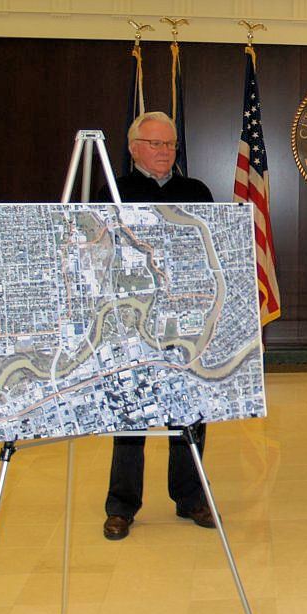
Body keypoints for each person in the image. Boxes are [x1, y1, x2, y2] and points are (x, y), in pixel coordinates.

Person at [99, 111, 216, 540]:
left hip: (184, 319)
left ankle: (191, 497)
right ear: (134, 149)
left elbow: (210, 249)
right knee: (131, 415)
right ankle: (122, 505)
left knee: (189, 410)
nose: (165, 151)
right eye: (155, 144)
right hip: (131, 320)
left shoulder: (197, 192)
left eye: (169, 144)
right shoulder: (114, 192)